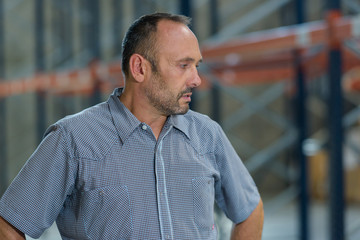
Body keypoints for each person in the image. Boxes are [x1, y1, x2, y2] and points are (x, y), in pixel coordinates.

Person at [0, 12, 264, 239]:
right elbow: (8, 224)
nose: (196, 79)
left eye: (196, 66)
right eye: (184, 65)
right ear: (139, 68)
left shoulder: (207, 135)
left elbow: (250, 211)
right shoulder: (73, 139)